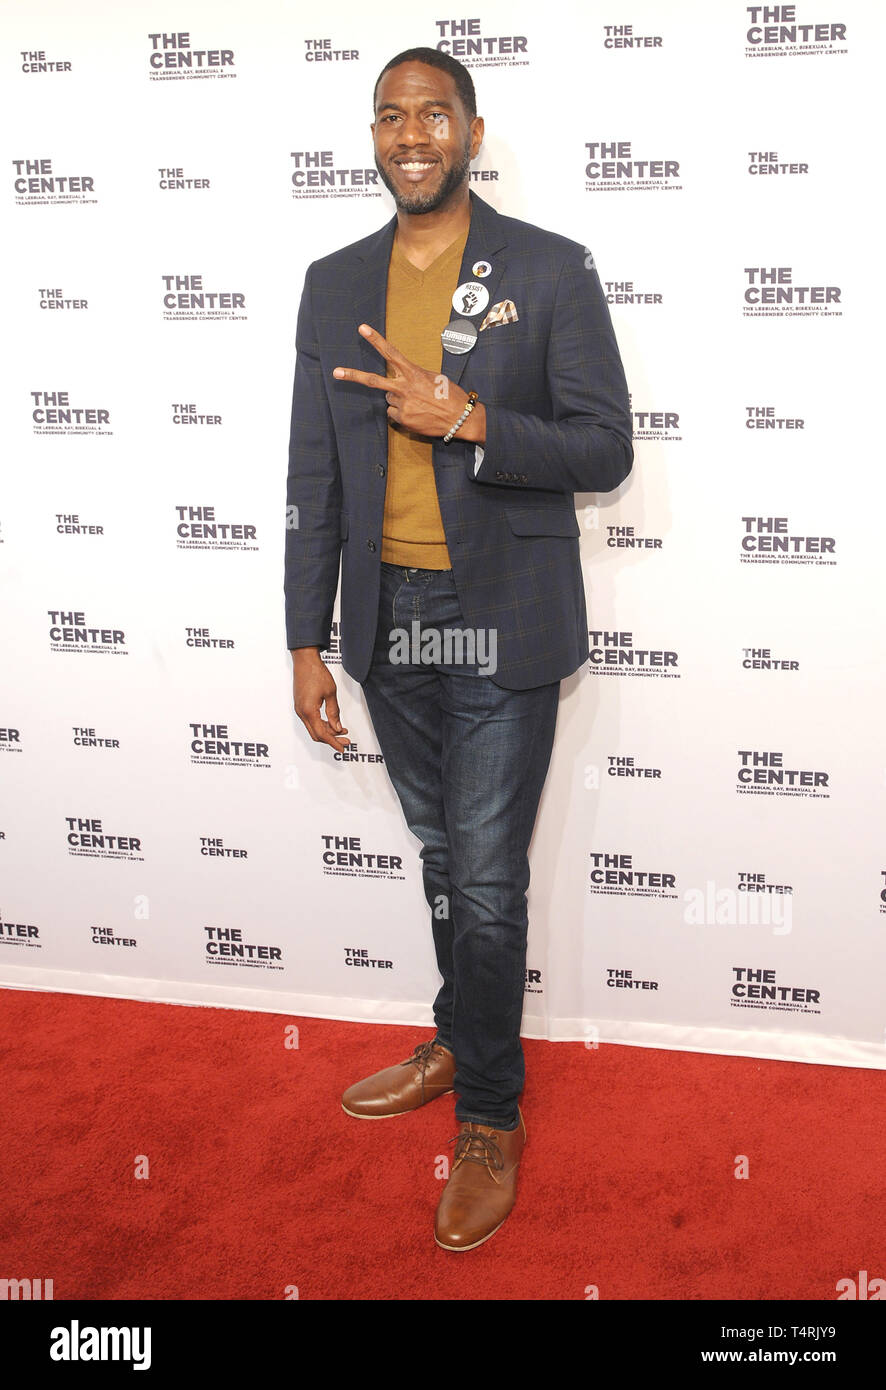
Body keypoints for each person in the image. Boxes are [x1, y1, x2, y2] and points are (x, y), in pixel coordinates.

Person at [285, 46, 632, 1251]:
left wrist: (472, 417)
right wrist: (304, 638)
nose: (412, 133)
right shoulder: (332, 282)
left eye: (434, 113)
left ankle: (489, 1110)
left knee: (485, 879)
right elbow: (312, 473)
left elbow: (604, 448)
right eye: (391, 115)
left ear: (472, 132)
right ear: (372, 137)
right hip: (387, 624)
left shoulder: (549, 268)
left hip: (501, 622)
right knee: (442, 855)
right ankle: (460, 1036)